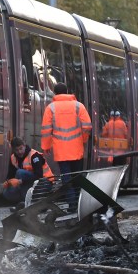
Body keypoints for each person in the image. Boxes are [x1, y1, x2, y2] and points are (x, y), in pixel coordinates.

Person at [41, 82, 92, 212]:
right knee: (78, 177)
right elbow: (87, 126)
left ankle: (72, 205)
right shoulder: (78, 106)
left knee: (66, 178)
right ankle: (81, 205)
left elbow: (46, 129)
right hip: (77, 149)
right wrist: (83, 140)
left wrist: (46, 146)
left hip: (61, 151)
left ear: (55, 93)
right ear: (67, 91)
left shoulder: (50, 108)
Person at [3, 137, 54, 209]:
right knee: (7, 193)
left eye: (21, 148)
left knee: (20, 173)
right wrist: (8, 182)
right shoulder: (13, 158)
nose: (19, 152)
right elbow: (10, 174)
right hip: (30, 183)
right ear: (13, 150)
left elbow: (38, 176)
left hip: (45, 182)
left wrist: (20, 181)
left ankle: (27, 203)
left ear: (24, 145)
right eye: (17, 150)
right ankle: (24, 202)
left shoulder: (34, 155)